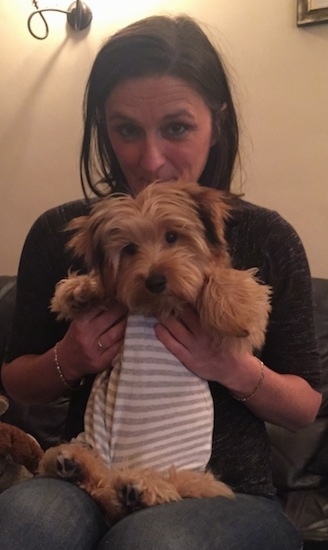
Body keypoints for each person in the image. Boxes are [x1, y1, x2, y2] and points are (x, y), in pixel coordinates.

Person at [0, 14, 322, 550]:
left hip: (232, 494)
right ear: (105, 129)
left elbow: (304, 406)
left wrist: (230, 367)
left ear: (215, 123)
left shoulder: (268, 236)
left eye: (176, 127)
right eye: (127, 130)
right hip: (89, 469)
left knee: (151, 543)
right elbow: (17, 382)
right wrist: (71, 357)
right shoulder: (65, 232)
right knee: (22, 526)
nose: (151, 161)